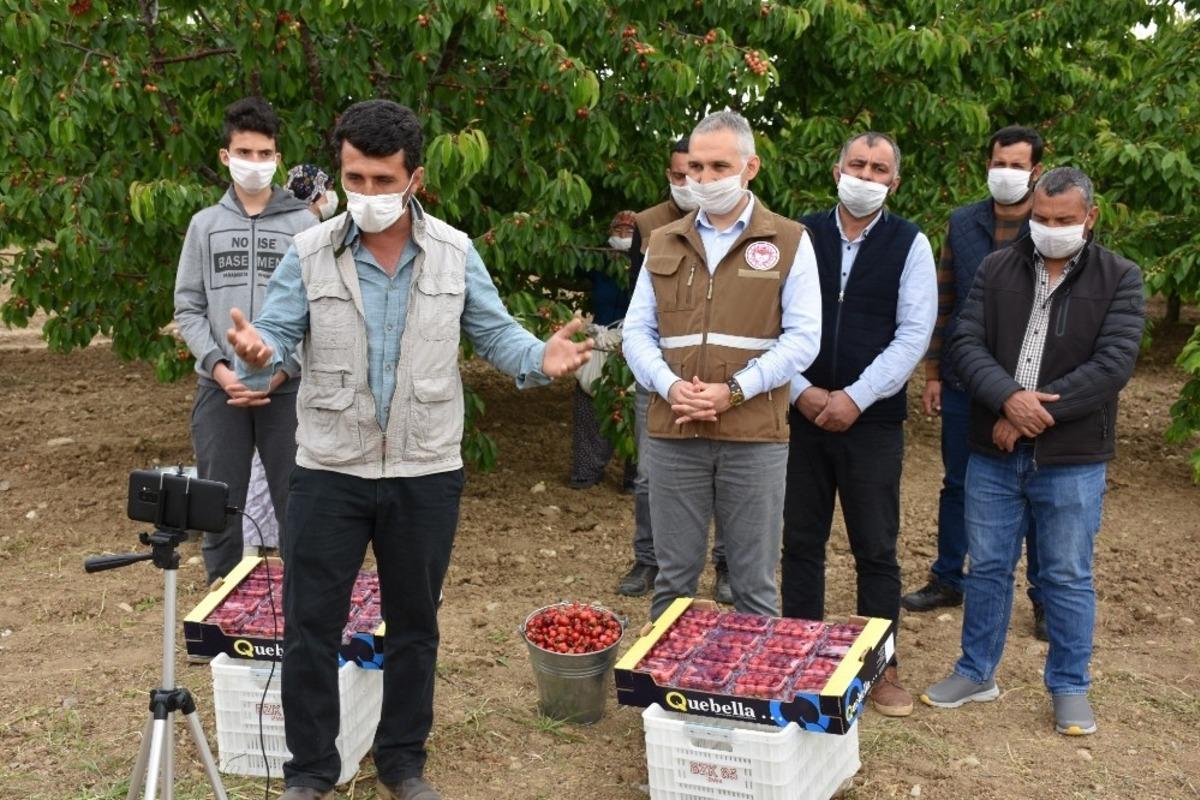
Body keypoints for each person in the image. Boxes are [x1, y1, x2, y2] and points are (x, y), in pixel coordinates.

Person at [226, 99, 591, 800]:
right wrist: (256, 351)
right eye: (354, 179)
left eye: (382, 180)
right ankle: (310, 771)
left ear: (415, 178)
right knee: (309, 626)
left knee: (415, 625)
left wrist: (537, 358)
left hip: (425, 471)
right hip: (330, 467)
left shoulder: (454, 251)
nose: (366, 196)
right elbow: (269, 337)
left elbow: (496, 333)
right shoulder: (308, 252)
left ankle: (402, 761)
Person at [922, 167, 1144, 737]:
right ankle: (976, 673)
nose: (1050, 229)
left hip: (1071, 456)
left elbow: (1112, 366)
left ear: (1089, 218)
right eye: (1041, 219)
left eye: (1064, 221)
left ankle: (1069, 686)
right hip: (992, 450)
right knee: (988, 566)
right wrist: (1006, 400)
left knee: (1068, 575)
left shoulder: (1120, 277)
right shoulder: (998, 268)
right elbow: (966, 343)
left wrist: (1027, 417)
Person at [624, 110, 822, 621]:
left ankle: (754, 697)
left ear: (749, 167)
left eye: (718, 166)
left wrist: (733, 390)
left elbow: (803, 340)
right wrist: (669, 387)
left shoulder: (789, 240)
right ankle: (667, 694)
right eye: (695, 167)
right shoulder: (664, 240)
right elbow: (636, 332)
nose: (704, 180)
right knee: (673, 581)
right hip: (675, 430)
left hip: (753, 435)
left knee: (754, 582)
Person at [780, 132, 937, 718]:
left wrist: (857, 397)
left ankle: (881, 667)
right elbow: (775, 321)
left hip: (871, 422)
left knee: (876, 548)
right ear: (835, 169)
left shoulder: (910, 242)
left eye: (879, 169)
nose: (866, 176)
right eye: (857, 165)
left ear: (893, 182)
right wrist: (802, 392)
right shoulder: (799, 235)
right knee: (800, 542)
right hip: (801, 415)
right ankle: (803, 655)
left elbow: (912, 334)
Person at [902, 126, 1049, 642]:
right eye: (997, 162)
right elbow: (945, 301)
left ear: (1035, 172)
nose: (1004, 172)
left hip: (1029, 387)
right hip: (966, 380)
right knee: (958, 482)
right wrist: (935, 373)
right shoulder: (963, 222)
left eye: (1015, 164)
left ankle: (1042, 595)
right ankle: (948, 577)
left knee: (1034, 488)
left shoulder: (1051, 226)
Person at [173, 96, 316, 584]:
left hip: (287, 391)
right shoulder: (204, 226)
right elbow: (188, 308)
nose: (254, 163)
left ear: (278, 157)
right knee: (218, 503)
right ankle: (221, 613)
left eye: (264, 154)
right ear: (225, 155)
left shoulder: (304, 225)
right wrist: (219, 367)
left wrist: (279, 373)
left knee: (298, 503)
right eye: (244, 152)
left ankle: (305, 615)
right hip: (220, 392)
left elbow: (316, 312)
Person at [618, 137, 730, 602]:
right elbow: (639, 309)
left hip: (722, 377)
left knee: (728, 473)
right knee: (648, 476)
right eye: (683, 173)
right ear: (670, 175)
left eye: (703, 170)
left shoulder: (756, 230)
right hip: (662, 374)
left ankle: (726, 564)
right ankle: (649, 558)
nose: (694, 182)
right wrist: (662, 376)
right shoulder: (649, 225)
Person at [569, 210, 636, 489]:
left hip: (634, 342)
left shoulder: (646, 263)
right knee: (589, 400)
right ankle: (585, 472)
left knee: (636, 410)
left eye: (629, 232)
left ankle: (636, 479)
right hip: (600, 339)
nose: (621, 237)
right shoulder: (599, 263)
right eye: (617, 231)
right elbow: (571, 259)